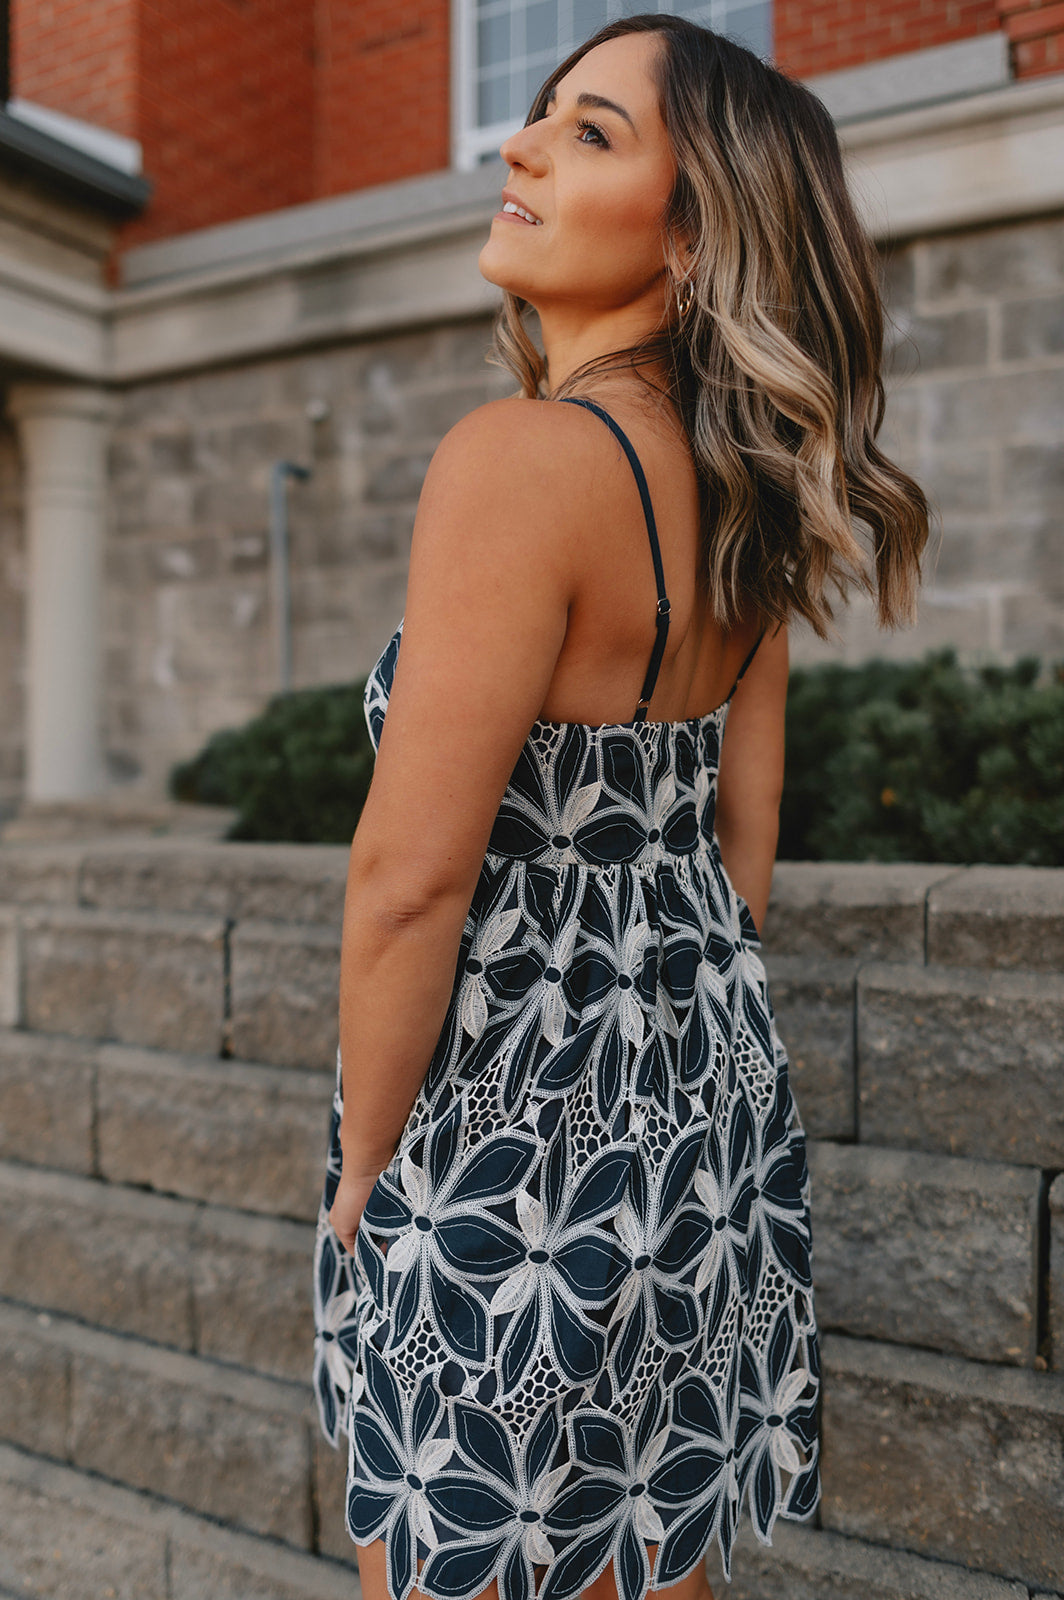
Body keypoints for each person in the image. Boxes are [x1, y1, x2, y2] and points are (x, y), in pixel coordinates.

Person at [312, 15, 929, 1600]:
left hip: (506, 1124)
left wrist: (369, 1160)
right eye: (539, 113)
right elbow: (742, 838)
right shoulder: (746, 489)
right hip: (701, 1104)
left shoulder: (516, 461)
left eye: (591, 131)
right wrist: (666, 1045)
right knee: (648, 1550)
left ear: (693, 229)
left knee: (450, 1549)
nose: (518, 144)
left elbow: (407, 882)